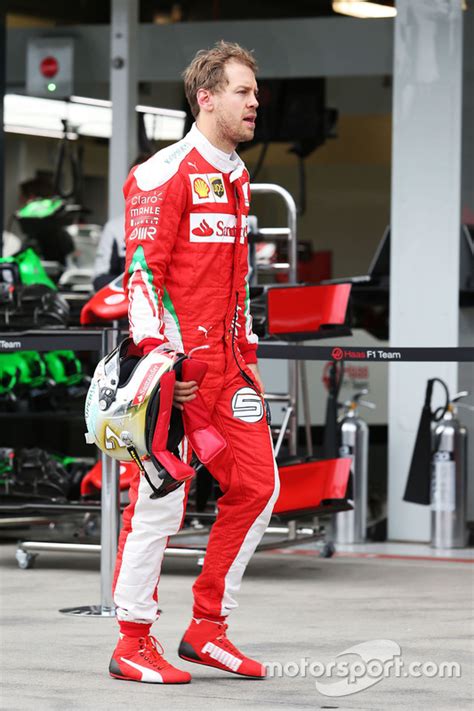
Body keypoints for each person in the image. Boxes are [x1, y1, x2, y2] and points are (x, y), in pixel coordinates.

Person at [110, 40, 280, 685]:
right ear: (206, 97)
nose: (254, 103)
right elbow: (142, 276)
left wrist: (248, 350)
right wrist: (162, 365)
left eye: (255, 93)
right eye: (243, 91)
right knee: (159, 503)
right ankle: (131, 638)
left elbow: (236, 278)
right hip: (175, 373)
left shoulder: (237, 175)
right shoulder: (162, 172)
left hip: (231, 366)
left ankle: (207, 627)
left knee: (260, 489)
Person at [93, 154, 151, 290]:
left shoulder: (177, 225)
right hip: (125, 306)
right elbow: (99, 280)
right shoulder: (115, 228)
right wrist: (136, 284)